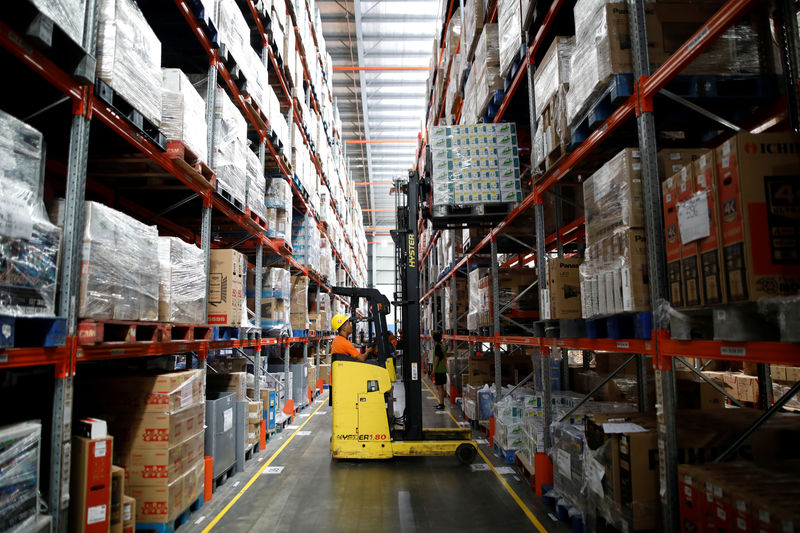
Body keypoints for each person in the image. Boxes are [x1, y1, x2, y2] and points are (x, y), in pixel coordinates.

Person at [432, 331, 447, 410]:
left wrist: (433, 371)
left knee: (439, 387)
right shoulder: (442, 346)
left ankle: (441, 404)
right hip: (443, 368)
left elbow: (437, 359)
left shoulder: (438, 347)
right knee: (440, 387)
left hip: (439, 369)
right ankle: (441, 403)